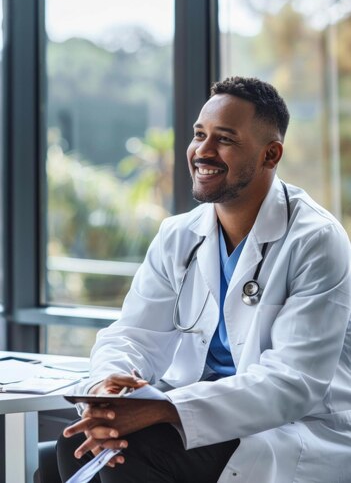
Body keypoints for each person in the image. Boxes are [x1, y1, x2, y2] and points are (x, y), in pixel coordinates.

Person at [57, 76, 351, 483]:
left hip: (286, 429)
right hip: (197, 414)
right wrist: (108, 389)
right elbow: (131, 335)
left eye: (225, 139)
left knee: (128, 453)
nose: (203, 151)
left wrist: (166, 409)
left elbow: (293, 383)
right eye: (199, 134)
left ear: (271, 154)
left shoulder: (316, 240)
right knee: (76, 448)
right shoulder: (179, 235)